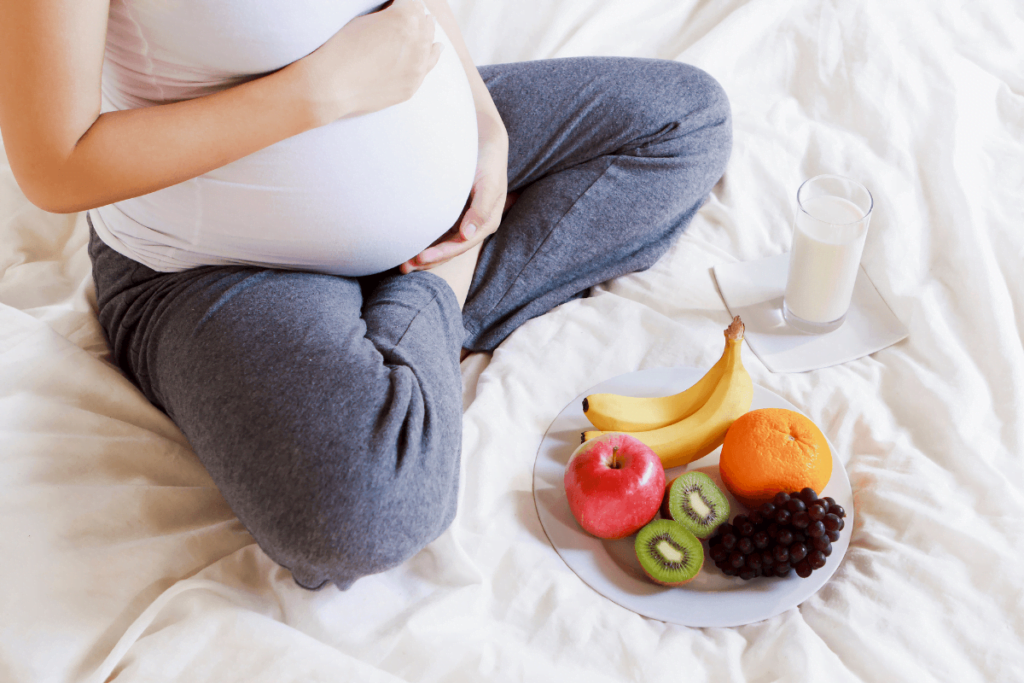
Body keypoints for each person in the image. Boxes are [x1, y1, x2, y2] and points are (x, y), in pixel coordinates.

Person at [0, 0, 732, 589]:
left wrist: (482, 124)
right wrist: (316, 93)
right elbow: (54, 166)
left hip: (422, 139)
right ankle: (439, 281)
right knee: (366, 511)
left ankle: (401, 307)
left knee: (683, 121)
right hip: (215, 261)